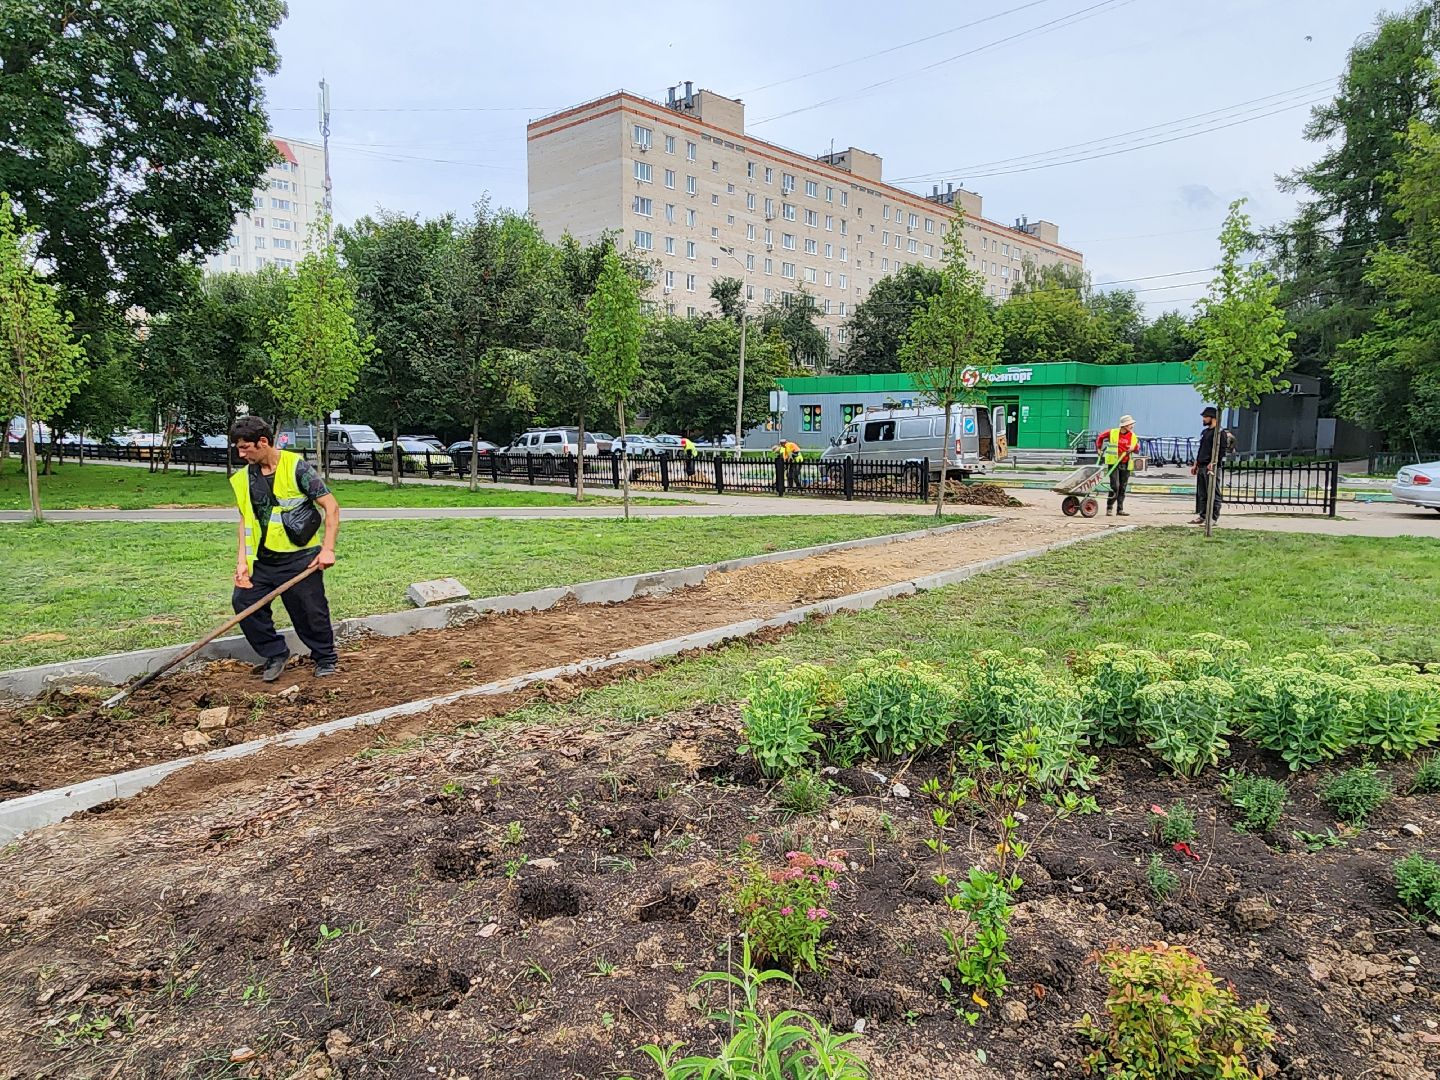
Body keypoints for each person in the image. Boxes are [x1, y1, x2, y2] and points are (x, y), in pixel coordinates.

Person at [229, 417, 341, 680]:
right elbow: (246, 520)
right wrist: (242, 562)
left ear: (263, 442)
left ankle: (325, 657)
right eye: (238, 447)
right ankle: (275, 653)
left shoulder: (296, 468)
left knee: (310, 611)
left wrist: (328, 549)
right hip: (262, 561)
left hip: (300, 558)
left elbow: (331, 507)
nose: (241, 453)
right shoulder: (243, 478)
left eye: (246, 447)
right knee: (244, 603)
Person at [1094, 414, 1139, 517]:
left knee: (1123, 487)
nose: (1132, 426)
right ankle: (1109, 508)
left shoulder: (1133, 436)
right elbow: (1100, 437)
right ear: (1124, 425)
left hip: (1126, 464)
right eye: (1130, 424)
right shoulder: (1112, 432)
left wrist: (1133, 448)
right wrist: (1099, 449)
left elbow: (1137, 448)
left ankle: (1120, 510)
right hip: (1113, 463)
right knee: (1115, 486)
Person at [1190, 406, 1225, 524]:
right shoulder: (1205, 432)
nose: (1203, 419)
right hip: (1202, 465)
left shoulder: (1219, 433)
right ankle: (1203, 515)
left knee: (1213, 492)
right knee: (1202, 493)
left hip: (1211, 466)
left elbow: (1221, 451)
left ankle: (1213, 517)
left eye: (1205, 417)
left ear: (1213, 418)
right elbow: (1202, 449)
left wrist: (1213, 462)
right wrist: (1196, 463)